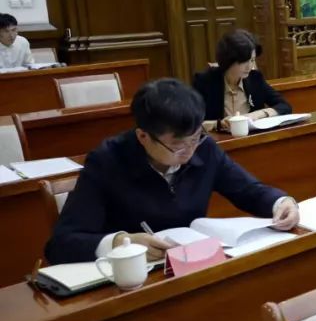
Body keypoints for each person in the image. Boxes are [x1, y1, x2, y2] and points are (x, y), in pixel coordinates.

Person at [44, 79, 299, 265]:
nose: (190, 151)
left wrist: (281, 202)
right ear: (143, 137)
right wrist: (123, 243)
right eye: (177, 145)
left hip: (193, 265)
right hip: (131, 279)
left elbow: (247, 189)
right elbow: (61, 244)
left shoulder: (204, 148)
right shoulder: (107, 161)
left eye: (195, 138)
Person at [192, 30, 291, 130]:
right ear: (228, 60)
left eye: (252, 60)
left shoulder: (255, 78)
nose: (250, 66)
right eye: (244, 61)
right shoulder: (205, 81)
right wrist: (218, 124)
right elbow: (192, 122)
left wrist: (256, 115)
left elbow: (284, 106)